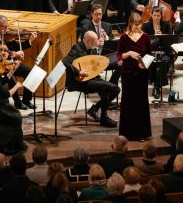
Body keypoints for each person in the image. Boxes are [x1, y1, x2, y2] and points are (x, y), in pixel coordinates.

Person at [63, 31, 119, 127]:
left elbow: (98, 66)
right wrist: (78, 72)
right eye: (94, 41)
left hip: (92, 78)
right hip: (78, 82)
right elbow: (65, 62)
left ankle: (95, 109)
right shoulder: (77, 48)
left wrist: (116, 63)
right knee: (106, 88)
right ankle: (103, 118)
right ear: (88, 41)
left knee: (116, 89)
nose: (96, 43)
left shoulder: (92, 49)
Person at [118, 11, 152, 140]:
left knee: (141, 101)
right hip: (128, 73)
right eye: (135, 25)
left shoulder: (145, 37)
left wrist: (145, 64)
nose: (138, 27)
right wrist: (129, 53)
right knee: (128, 101)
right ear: (130, 23)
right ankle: (127, 133)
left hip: (141, 72)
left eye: (139, 24)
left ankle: (141, 132)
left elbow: (149, 54)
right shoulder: (124, 37)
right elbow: (119, 55)